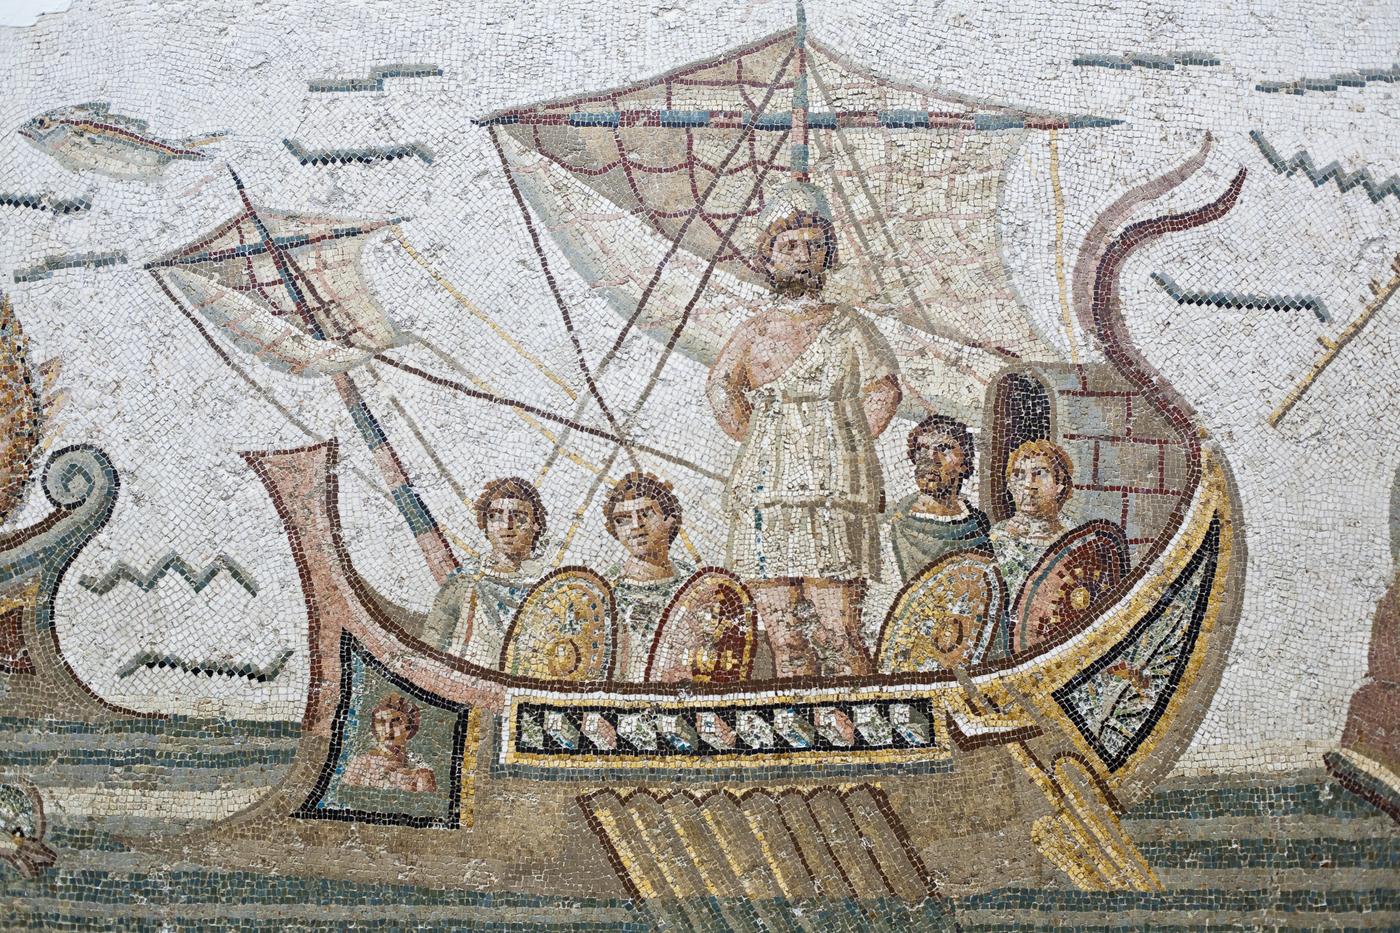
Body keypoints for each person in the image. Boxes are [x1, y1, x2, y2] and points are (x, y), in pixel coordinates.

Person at [706, 184, 901, 678]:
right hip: (767, 491)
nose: (802, 256)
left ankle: (859, 729)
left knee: (839, 634)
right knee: (786, 640)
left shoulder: (850, 326)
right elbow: (722, 387)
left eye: (813, 245)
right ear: (769, 258)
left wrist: (843, 443)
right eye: (789, 246)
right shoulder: (756, 329)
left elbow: (883, 391)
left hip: (835, 492)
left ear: (827, 256)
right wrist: (763, 440)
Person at [422, 477, 546, 668]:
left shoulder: (548, 585)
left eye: (519, 517)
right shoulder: (464, 581)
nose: (507, 526)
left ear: (535, 524)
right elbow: (432, 644)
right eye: (495, 516)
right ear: (485, 525)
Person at [603, 471, 696, 681]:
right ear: (614, 530)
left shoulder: (694, 586)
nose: (636, 526)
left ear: (669, 519)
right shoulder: (604, 591)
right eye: (623, 520)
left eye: (646, 514)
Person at [889, 415, 991, 582]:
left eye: (944, 449)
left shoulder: (979, 525)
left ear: (964, 462)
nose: (931, 458)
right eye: (922, 448)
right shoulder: (897, 522)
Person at [989, 439, 1074, 598]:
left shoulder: (1077, 540)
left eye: (1040, 473)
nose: (1029, 485)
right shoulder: (996, 539)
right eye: (1019, 476)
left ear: (1060, 484)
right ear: (1011, 487)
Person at [342, 694, 437, 793]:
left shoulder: (421, 771)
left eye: (396, 721)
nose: (388, 730)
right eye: (381, 722)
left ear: (409, 727)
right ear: (374, 728)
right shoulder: (359, 767)